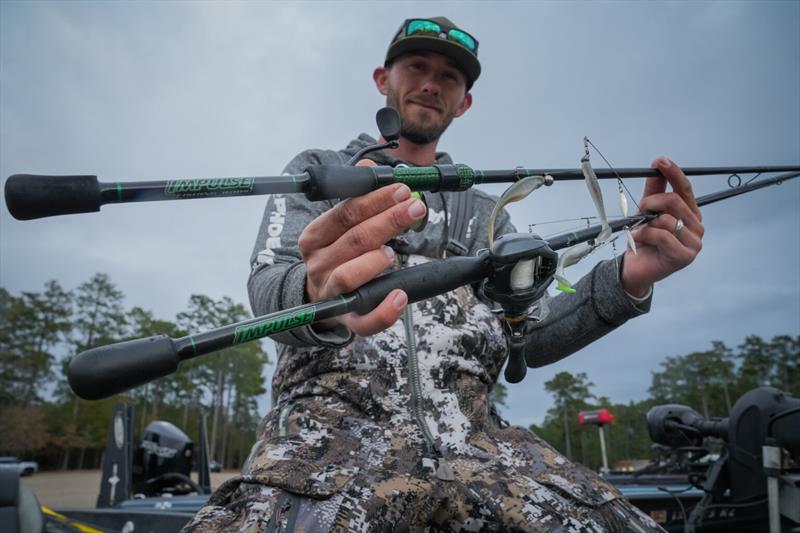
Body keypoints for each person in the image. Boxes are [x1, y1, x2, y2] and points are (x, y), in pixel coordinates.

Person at [184, 16, 703, 532]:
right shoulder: (318, 171)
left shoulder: (484, 210)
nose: (431, 83)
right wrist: (316, 290)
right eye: (416, 66)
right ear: (382, 80)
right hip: (321, 443)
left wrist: (629, 276)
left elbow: (532, 331)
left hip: (483, 447)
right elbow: (268, 287)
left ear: (464, 102)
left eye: (450, 77)